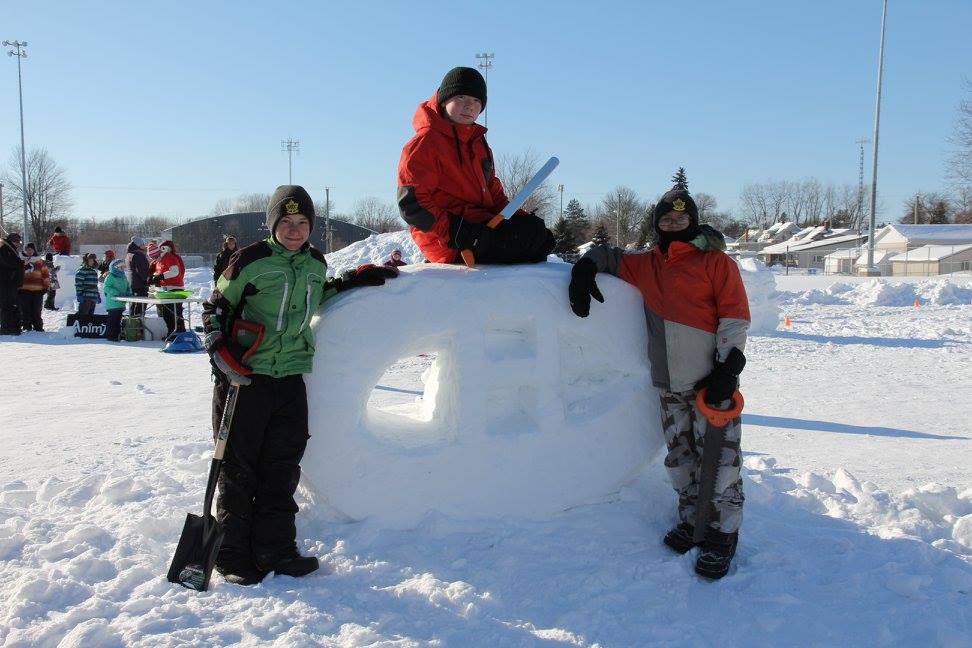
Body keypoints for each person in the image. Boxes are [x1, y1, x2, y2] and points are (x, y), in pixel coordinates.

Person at [202, 185, 399, 586]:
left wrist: (353, 280)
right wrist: (221, 353)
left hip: (290, 377)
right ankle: (232, 554)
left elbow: (316, 296)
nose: (295, 230)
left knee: (282, 467)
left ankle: (276, 548)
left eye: (303, 223)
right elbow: (213, 309)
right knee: (240, 469)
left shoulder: (314, 262)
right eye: (287, 222)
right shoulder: (249, 260)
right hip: (245, 379)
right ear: (273, 224)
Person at [568, 188, 750, 580]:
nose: (673, 224)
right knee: (681, 458)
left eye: (680, 219)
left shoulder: (717, 263)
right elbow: (611, 257)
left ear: (693, 221)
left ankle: (723, 534)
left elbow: (734, 316)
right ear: (656, 224)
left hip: (710, 384)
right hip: (669, 383)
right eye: (666, 220)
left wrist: (728, 369)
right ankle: (694, 522)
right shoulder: (647, 264)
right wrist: (585, 267)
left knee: (720, 461)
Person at [397, 66, 554, 265]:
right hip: (448, 239)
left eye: (476, 100)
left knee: (536, 235)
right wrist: (457, 232)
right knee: (525, 244)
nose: (469, 105)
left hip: (481, 225)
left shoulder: (477, 143)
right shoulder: (424, 144)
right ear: (445, 99)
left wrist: (519, 217)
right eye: (461, 97)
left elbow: (493, 194)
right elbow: (412, 205)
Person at [150, 239, 186, 337]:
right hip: (167, 289)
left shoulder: (169, 257)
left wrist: (160, 276)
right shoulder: (160, 260)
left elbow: (175, 271)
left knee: (173, 313)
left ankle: (178, 333)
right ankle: (173, 333)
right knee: (168, 313)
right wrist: (154, 277)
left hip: (174, 288)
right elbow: (160, 272)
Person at [18, 243, 50, 332]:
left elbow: (46, 274)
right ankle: (27, 326)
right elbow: (16, 274)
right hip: (24, 290)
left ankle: (38, 326)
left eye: (31, 250)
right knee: (25, 309)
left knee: (37, 309)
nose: (29, 251)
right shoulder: (20, 261)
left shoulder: (40, 261)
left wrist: (46, 287)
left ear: (34, 250)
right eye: (27, 250)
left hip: (38, 290)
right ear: (25, 250)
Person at [0, 232, 25, 335]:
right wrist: (21, 263)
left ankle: (12, 326)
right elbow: (9, 263)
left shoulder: (10, 249)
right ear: (12, 240)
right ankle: (6, 327)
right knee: (7, 306)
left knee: (12, 305)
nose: (18, 244)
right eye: (16, 241)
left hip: (11, 283)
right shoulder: (4, 249)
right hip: (6, 283)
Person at [103, 259, 131, 342]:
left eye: (123, 267)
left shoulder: (123, 276)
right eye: (121, 267)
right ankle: (111, 336)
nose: (123, 269)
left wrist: (128, 292)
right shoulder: (110, 276)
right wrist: (115, 293)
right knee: (113, 320)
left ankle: (117, 335)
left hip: (121, 303)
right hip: (113, 303)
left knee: (118, 320)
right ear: (115, 268)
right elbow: (106, 287)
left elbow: (127, 287)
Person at [125, 236, 151, 318]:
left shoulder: (129, 254)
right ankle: (138, 327)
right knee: (140, 308)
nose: (144, 246)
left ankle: (132, 326)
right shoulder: (139, 255)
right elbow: (142, 271)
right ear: (138, 245)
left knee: (133, 306)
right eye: (143, 244)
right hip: (140, 285)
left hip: (132, 284)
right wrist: (148, 280)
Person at [75, 253, 101, 318]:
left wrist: (97, 294)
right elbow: (78, 284)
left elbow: (95, 285)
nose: (92, 261)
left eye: (93, 260)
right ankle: (77, 325)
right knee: (83, 314)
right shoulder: (82, 270)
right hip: (86, 297)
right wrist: (79, 294)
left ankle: (86, 327)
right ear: (86, 260)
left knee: (90, 316)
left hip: (93, 297)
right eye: (90, 260)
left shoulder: (94, 271)